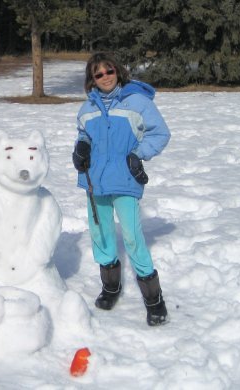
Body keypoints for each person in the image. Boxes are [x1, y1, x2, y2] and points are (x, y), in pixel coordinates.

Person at [72, 52, 171, 326]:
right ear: (92, 80)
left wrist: (138, 155)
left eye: (109, 71)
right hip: (95, 181)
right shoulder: (87, 109)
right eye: (98, 74)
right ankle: (111, 287)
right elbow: (84, 134)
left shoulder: (136, 101)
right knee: (100, 232)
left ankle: (154, 300)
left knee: (131, 236)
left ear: (118, 71)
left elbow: (160, 133)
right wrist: (81, 148)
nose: (105, 77)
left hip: (125, 179)